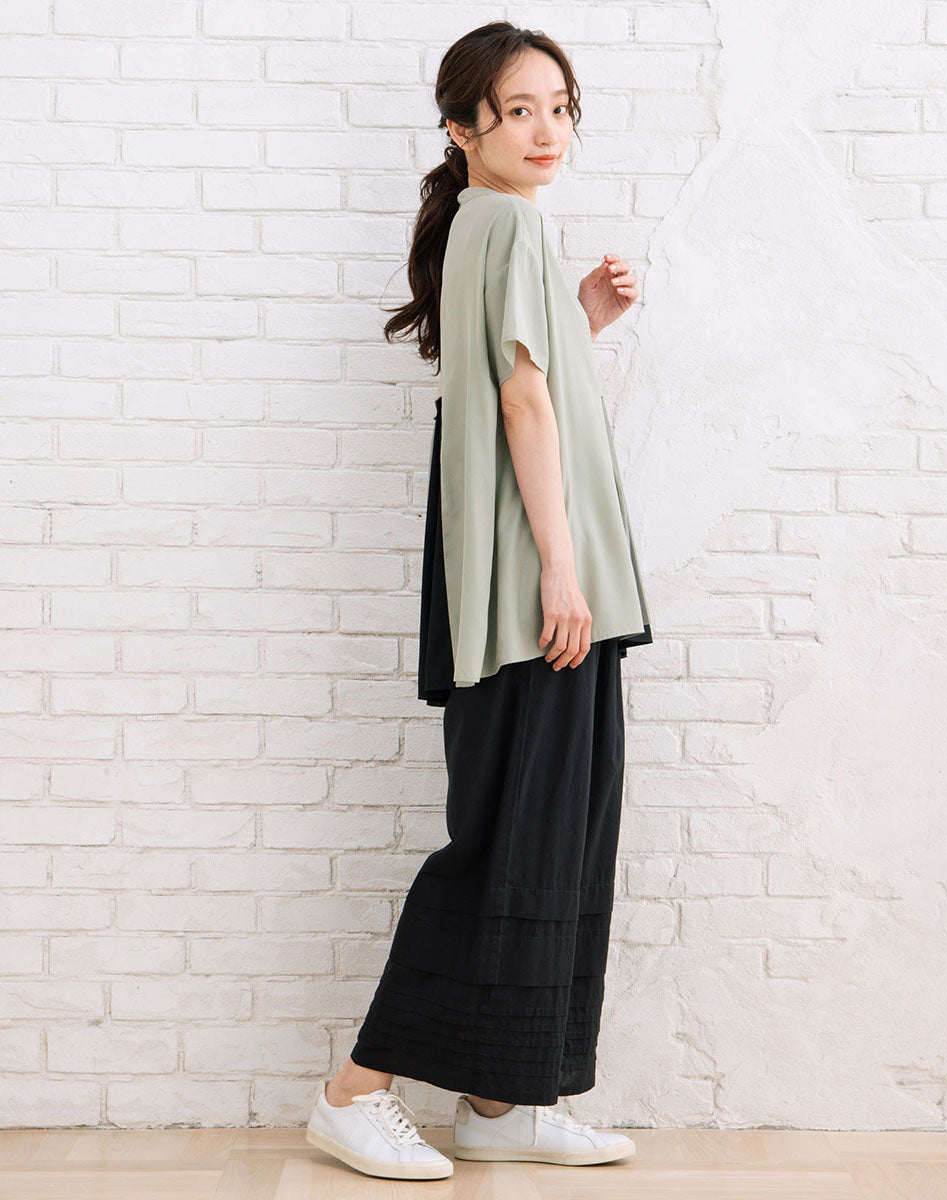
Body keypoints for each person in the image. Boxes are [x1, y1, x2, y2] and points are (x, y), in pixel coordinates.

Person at [305, 21, 652, 1181]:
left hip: (529, 582)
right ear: (462, 129)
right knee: (508, 843)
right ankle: (351, 1094)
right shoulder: (501, 222)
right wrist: (561, 567)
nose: (546, 130)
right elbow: (518, 405)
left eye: (560, 107)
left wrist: (579, 316)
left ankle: (503, 1100)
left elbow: (526, 375)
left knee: (554, 838)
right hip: (529, 589)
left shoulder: (494, 228)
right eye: (517, 110)